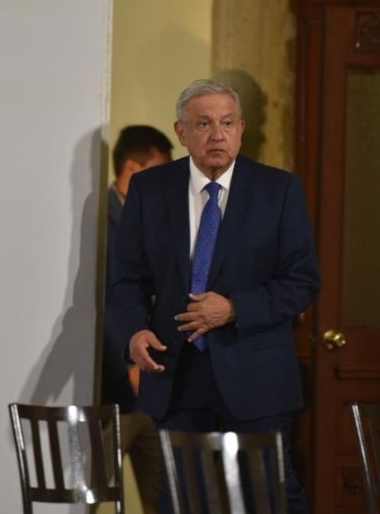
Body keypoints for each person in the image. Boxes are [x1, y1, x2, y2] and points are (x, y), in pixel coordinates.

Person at [110, 79, 321, 513]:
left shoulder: (278, 191)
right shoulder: (150, 190)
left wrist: (234, 308)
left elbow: (302, 281)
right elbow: (126, 279)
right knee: (183, 503)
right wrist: (134, 333)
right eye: (203, 123)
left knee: (271, 501)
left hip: (256, 378)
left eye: (227, 123)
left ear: (242, 130)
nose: (217, 135)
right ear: (181, 132)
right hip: (176, 374)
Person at [101, 125, 172, 513]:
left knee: (166, 498)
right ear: (132, 169)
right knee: (91, 494)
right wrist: (130, 363)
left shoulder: (158, 223)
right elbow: (106, 304)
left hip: (158, 387)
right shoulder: (99, 221)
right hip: (115, 390)